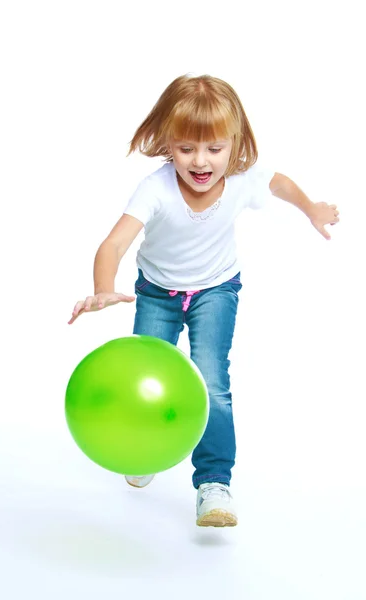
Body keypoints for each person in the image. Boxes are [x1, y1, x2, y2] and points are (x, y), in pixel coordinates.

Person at [68, 74, 340, 528]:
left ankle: (214, 483)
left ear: (235, 144)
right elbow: (112, 245)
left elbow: (280, 183)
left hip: (216, 288)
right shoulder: (156, 188)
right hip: (156, 292)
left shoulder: (242, 179)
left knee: (211, 380)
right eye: (186, 148)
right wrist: (102, 287)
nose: (200, 161)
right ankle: (146, 449)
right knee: (146, 375)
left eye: (214, 148)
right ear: (167, 144)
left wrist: (311, 207)